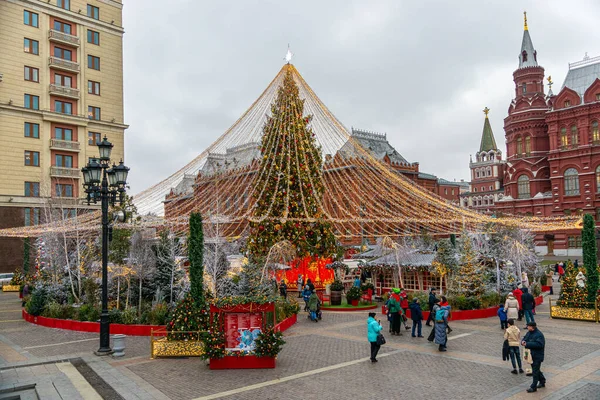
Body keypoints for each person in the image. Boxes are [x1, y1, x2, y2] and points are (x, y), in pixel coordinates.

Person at [522, 322, 546, 393]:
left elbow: (540, 345)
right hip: (530, 355)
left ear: (532, 327)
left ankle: (533, 387)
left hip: (537, 356)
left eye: (528, 326)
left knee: (535, 371)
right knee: (536, 369)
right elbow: (524, 338)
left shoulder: (539, 335)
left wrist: (528, 344)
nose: (527, 328)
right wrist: (523, 341)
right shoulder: (529, 332)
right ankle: (542, 381)